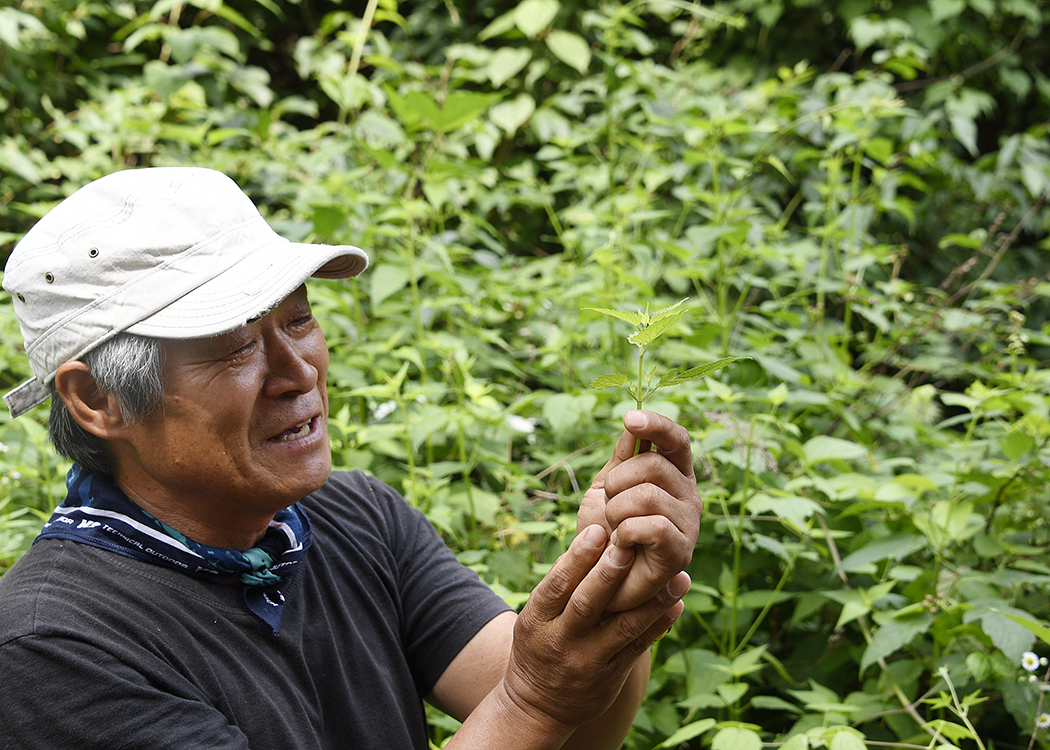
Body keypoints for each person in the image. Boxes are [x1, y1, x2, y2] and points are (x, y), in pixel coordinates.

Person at [0, 167, 702, 750]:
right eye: (234, 346)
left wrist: (613, 591)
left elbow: (572, 731)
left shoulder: (350, 516)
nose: (297, 371)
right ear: (98, 399)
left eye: (298, 319)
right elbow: (532, 705)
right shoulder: (51, 647)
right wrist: (532, 698)